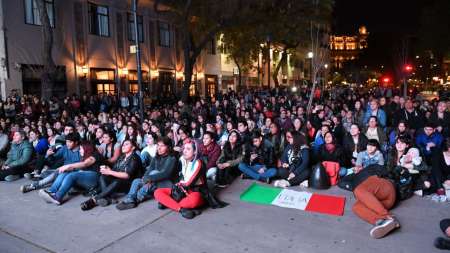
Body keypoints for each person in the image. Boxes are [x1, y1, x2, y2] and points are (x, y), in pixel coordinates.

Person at [80, 139, 143, 211]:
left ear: (133, 147)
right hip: (119, 181)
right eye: (123, 145)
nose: (123, 146)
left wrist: (110, 172)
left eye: (126, 144)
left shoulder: (135, 158)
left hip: (130, 184)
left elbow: (127, 175)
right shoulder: (122, 157)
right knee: (103, 176)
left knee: (117, 181)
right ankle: (107, 198)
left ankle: (94, 199)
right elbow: (114, 170)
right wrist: (107, 169)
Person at [116, 137, 177, 210]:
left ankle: (137, 199)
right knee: (136, 181)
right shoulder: (156, 157)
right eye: (158, 145)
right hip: (155, 182)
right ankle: (130, 199)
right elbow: (149, 169)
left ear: (168, 147)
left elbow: (165, 174)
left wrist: (149, 179)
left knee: (153, 175)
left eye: (162, 146)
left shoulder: (172, 158)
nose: (159, 148)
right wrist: (145, 177)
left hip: (167, 184)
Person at [154, 140, 206, 219]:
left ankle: (169, 203)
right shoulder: (182, 159)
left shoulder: (198, 163)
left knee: (195, 199)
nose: (184, 151)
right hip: (181, 190)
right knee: (157, 192)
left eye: (188, 149)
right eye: (184, 148)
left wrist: (179, 183)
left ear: (195, 152)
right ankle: (181, 209)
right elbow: (175, 175)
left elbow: (189, 183)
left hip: (194, 191)